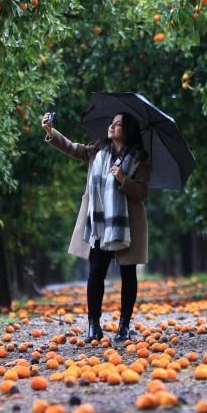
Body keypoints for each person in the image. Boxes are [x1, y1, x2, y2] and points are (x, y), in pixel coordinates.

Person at [42, 110, 150, 342]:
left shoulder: (139, 158)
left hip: (126, 225)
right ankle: (94, 325)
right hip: (100, 224)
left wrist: (122, 178)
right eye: (112, 122)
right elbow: (72, 148)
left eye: (118, 124)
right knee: (95, 273)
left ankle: (124, 325)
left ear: (128, 130)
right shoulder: (97, 151)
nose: (112, 126)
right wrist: (51, 132)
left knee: (128, 275)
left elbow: (141, 193)